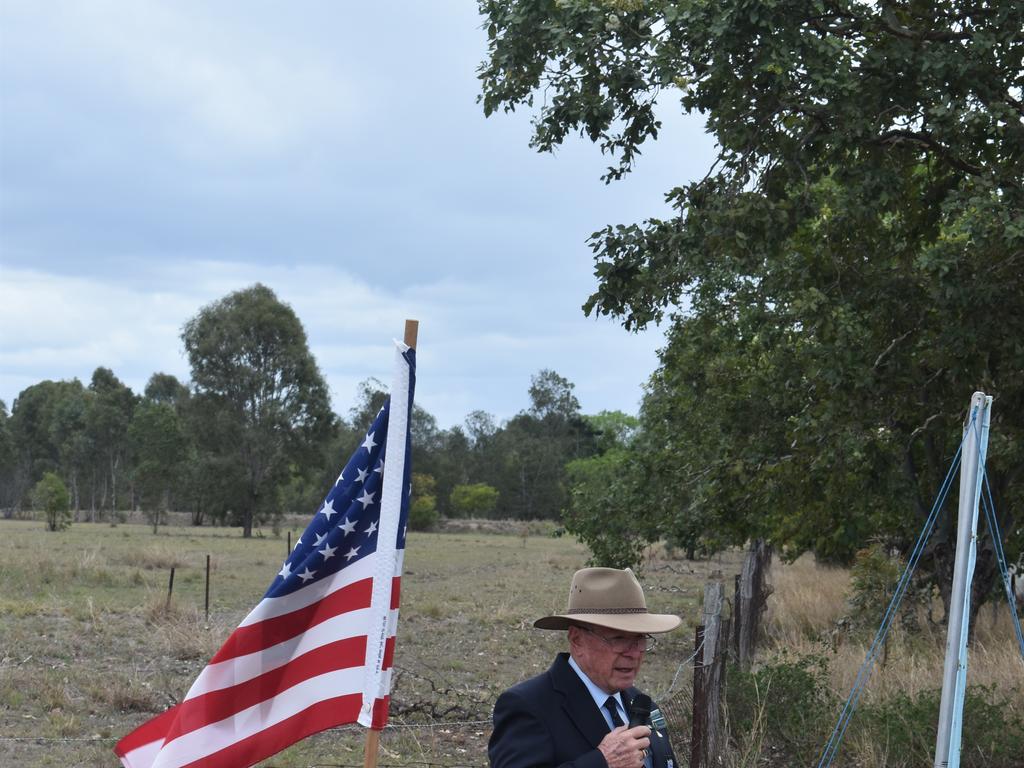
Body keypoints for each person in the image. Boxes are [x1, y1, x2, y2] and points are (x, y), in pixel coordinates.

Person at [489, 567, 682, 768]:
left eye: (640, 639)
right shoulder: (529, 706)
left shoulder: (643, 706)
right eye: (618, 639)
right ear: (577, 640)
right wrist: (603, 761)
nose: (634, 653)